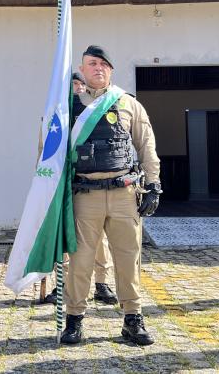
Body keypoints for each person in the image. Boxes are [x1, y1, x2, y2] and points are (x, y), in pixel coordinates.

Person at [60, 46, 161, 346]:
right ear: (82, 68)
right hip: (84, 195)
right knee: (79, 261)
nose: (98, 68)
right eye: (92, 64)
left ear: (111, 70)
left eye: (104, 64)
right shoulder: (67, 105)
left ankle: (133, 318)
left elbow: (147, 147)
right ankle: (74, 319)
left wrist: (154, 185)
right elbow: (49, 150)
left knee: (129, 259)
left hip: (124, 194)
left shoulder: (128, 104)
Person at [44, 72, 118, 306]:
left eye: (81, 84)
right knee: (66, 236)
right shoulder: (59, 114)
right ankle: (63, 285)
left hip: (91, 185)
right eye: (74, 84)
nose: (78, 88)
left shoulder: (94, 113)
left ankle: (101, 283)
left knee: (100, 240)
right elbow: (45, 149)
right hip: (66, 186)